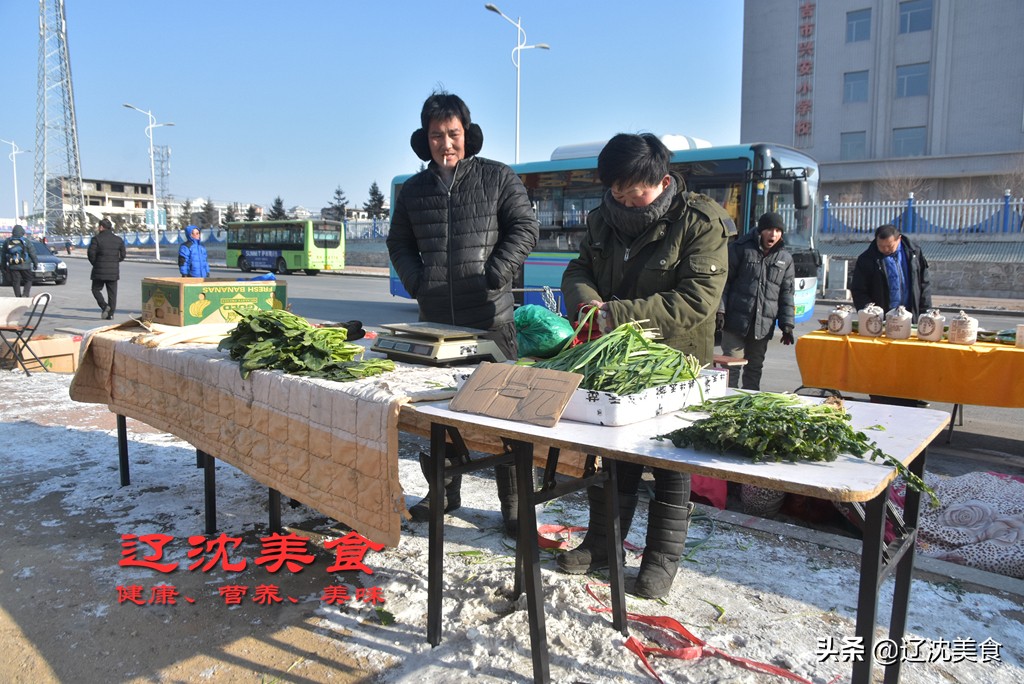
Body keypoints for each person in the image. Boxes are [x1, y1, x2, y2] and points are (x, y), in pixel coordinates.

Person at [558, 133, 734, 599]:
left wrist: (619, 314)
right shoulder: (602, 220)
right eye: (614, 186)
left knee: (672, 464)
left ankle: (660, 560)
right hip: (618, 364)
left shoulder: (701, 221)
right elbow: (578, 271)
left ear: (659, 178)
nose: (621, 195)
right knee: (614, 455)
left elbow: (697, 299)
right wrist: (587, 303)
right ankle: (601, 545)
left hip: (676, 364)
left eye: (630, 186)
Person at [387, 90, 539, 534]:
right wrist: (419, 282)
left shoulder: (497, 178)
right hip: (436, 324)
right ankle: (442, 494)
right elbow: (399, 243)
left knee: (505, 417)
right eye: (437, 135)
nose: (446, 143)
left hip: (491, 320)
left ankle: (514, 508)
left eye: (453, 134)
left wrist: (497, 272)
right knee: (438, 415)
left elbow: (525, 227)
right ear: (425, 139)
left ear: (467, 135)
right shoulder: (415, 190)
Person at [716, 211, 796, 390]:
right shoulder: (740, 248)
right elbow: (723, 283)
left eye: (777, 230)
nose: (773, 234)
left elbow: (787, 294)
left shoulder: (785, 259)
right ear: (760, 230)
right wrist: (720, 311)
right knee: (731, 366)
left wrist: (787, 325)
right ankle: (726, 403)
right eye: (769, 229)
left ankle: (748, 407)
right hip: (735, 322)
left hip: (762, 326)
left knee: (754, 368)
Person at [851, 223, 931, 320]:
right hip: (880, 318)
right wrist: (869, 314)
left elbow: (924, 284)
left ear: (899, 239)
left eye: (889, 246)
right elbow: (858, 290)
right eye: (880, 246)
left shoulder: (914, 254)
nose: (885, 249)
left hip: (910, 316)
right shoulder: (866, 259)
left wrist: (925, 312)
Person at [87, 218, 126, 320]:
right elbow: (123, 255)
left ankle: (104, 306)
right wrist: (115, 261)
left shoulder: (96, 239)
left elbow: (91, 254)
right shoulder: (118, 240)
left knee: (95, 290)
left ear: (101, 227)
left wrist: (96, 263)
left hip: (99, 271)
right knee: (112, 294)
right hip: (113, 271)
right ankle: (111, 314)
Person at [1, 224, 39, 298]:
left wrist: (4, 266)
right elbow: (32, 253)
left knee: (15, 282)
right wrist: (35, 263)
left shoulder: (7, 241)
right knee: (28, 279)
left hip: (13, 265)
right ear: (22, 232)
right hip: (25, 265)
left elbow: (3, 255)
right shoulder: (26, 241)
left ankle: (18, 297)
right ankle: (25, 294)